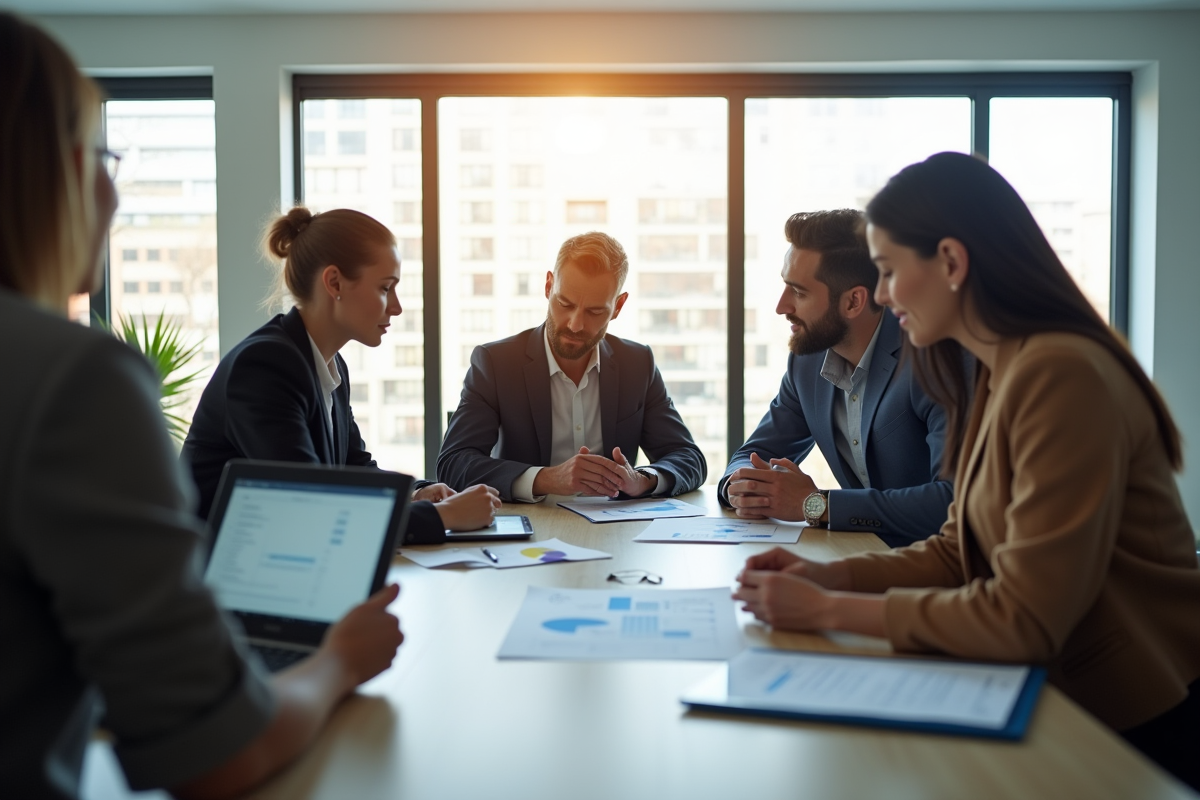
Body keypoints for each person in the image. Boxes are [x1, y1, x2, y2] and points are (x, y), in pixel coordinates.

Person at [0, 13, 404, 799]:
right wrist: (340, 662)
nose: (112, 187)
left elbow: (354, 475)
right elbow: (218, 753)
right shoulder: (72, 379)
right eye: (100, 151)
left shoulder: (328, 367)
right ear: (42, 170)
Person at [734, 152, 1200, 790]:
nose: (886, 293)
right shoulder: (1003, 368)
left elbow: (1022, 619)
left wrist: (828, 607)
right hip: (1049, 696)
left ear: (951, 263)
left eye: (893, 271)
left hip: (1121, 719)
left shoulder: (1057, 372)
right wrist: (831, 575)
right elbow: (960, 550)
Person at [182, 206, 501, 542]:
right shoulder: (264, 366)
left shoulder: (328, 364)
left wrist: (416, 493)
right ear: (334, 282)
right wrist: (443, 516)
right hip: (219, 577)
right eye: (385, 288)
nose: (396, 307)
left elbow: (353, 467)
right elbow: (315, 506)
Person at [720, 210, 953, 547]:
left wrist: (816, 504)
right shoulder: (807, 363)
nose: (781, 306)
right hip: (864, 556)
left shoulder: (933, 361)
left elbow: (952, 501)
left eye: (798, 292)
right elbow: (754, 453)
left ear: (854, 301)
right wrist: (742, 487)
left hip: (944, 572)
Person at [438, 231, 706, 502]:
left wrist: (643, 480)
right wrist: (546, 478)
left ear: (618, 306)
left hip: (615, 534)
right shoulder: (495, 363)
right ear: (548, 286)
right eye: (565, 304)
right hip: (529, 528)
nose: (575, 324)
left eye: (595, 312)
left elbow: (688, 458)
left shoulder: (637, 364)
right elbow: (454, 463)